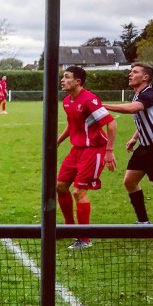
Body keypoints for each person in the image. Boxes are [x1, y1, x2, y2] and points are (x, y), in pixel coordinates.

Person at [57, 66, 117, 250]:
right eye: (63, 77)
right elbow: (72, 125)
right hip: (77, 150)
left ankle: (84, 239)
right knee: (60, 186)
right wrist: (57, 141)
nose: (62, 80)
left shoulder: (90, 100)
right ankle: (69, 228)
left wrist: (109, 151)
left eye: (66, 77)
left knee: (78, 192)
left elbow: (111, 124)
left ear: (78, 82)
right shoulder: (67, 100)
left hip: (94, 150)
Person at [102, 63, 153, 224]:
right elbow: (146, 119)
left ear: (145, 77)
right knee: (130, 182)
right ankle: (144, 223)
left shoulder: (149, 94)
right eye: (131, 72)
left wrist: (103, 106)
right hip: (144, 146)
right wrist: (134, 137)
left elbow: (132, 109)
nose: (130, 74)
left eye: (135, 72)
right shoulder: (138, 94)